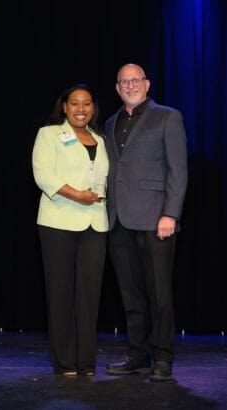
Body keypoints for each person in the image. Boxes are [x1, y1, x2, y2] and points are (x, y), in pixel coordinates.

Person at [105, 63, 187, 381]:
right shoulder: (111, 122)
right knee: (130, 293)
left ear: (147, 83)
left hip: (156, 220)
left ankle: (163, 356)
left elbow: (178, 170)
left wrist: (171, 214)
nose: (130, 85)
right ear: (117, 88)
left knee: (160, 294)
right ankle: (138, 354)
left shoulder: (168, 116)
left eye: (135, 80)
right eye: (123, 81)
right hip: (119, 221)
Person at [32, 84, 109, 376]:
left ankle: (86, 361)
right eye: (74, 103)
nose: (81, 109)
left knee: (89, 294)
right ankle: (64, 361)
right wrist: (77, 195)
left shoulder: (101, 140)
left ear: (93, 108)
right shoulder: (48, 134)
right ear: (64, 106)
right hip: (57, 222)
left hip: (95, 224)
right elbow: (43, 175)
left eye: (86, 104)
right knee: (60, 292)